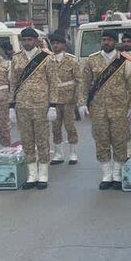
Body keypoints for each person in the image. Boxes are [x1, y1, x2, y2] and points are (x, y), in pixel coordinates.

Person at [78, 30, 131, 189]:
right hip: (98, 109)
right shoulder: (92, 60)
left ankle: (117, 174)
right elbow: (84, 84)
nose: (106, 42)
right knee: (101, 140)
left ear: (115, 41)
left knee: (120, 140)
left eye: (109, 40)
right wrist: (82, 103)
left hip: (120, 108)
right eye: (104, 40)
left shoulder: (125, 60)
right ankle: (106, 174)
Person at [9, 28, 57, 190]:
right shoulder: (16, 58)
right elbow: (13, 83)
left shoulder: (47, 58)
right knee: (27, 140)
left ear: (36, 41)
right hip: (22, 105)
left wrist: (53, 105)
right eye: (24, 40)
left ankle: (43, 173)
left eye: (30, 40)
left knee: (42, 140)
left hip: (41, 105)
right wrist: (11, 105)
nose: (27, 42)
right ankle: (32, 174)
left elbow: (53, 83)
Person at [49, 33, 80, 164]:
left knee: (69, 126)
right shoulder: (47, 60)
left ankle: (73, 152)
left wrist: (78, 99)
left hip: (68, 99)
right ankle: (58, 153)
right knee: (55, 126)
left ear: (63, 44)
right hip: (53, 99)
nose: (55, 45)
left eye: (58, 43)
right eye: (53, 43)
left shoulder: (71, 60)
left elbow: (79, 80)